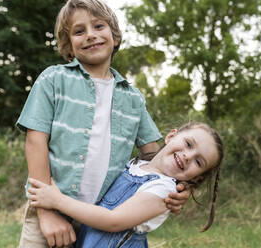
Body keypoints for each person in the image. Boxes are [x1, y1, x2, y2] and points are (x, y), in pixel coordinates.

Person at [16, 0, 190, 247]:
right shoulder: (54, 79)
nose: (90, 35)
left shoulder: (133, 98)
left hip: (100, 219)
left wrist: (179, 188)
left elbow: (155, 155)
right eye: (79, 31)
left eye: (98, 26)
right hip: (49, 209)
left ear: (115, 36)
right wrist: (46, 212)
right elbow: (35, 143)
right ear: (69, 45)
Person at [27, 122, 224, 248]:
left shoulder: (164, 190)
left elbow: (114, 220)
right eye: (189, 144)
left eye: (199, 162)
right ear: (172, 136)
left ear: (196, 178)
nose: (188, 156)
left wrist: (58, 201)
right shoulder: (136, 164)